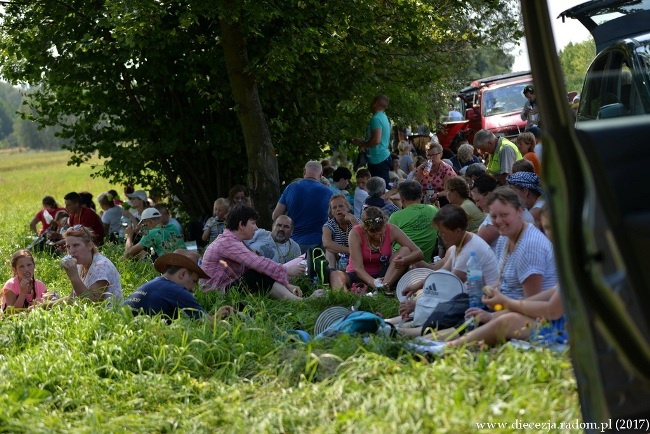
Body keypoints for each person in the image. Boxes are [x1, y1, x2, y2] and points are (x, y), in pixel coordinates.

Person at [423, 207, 566, 348]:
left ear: (519, 214)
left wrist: (506, 303)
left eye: (503, 215)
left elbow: (552, 310)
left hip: (562, 329)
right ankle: (429, 342)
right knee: (479, 313)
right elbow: (543, 296)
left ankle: (442, 346)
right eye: (546, 228)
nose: (497, 222)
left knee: (493, 317)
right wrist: (500, 307)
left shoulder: (532, 246)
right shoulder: (504, 242)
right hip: (495, 300)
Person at [392, 205, 499, 336]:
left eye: (443, 233)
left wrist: (419, 304)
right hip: (463, 296)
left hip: (479, 300)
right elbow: (443, 272)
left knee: (444, 308)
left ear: (458, 231)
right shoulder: (460, 244)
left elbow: (447, 288)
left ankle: (404, 331)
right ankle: (393, 324)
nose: (441, 236)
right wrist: (417, 285)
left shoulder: (470, 250)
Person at [201, 205, 323, 300]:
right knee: (256, 274)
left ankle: (294, 297)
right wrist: (286, 270)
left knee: (257, 272)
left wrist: (287, 285)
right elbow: (257, 263)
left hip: (222, 290)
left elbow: (254, 266)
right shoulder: (227, 242)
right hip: (215, 293)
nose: (256, 228)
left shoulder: (232, 240)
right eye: (253, 223)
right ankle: (300, 301)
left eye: (286, 227)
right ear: (241, 225)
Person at [123, 249, 233, 324]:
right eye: (194, 281)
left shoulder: (154, 284)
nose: (193, 289)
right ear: (183, 274)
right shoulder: (177, 291)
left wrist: (217, 315)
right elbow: (208, 325)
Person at [329, 206, 424, 291]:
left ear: (384, 225)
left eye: (380, 231)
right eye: (373, 232)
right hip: (359, 275)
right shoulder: (355, 233)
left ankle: (383, 289)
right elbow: (358, 268)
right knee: (335, 275)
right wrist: (374, 282)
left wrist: (404, 260)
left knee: (405, 250)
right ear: (364, 229)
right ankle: (345, 300)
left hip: (384, 275)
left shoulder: (391, 229)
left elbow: (418, 253)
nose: (377, 235)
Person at [272, 161, 333, 251]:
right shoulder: (329, 192)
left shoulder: (290, 188)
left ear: (304, 171)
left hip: (293, 243)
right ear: (321, 175)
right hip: (318, 243)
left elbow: (276, 216)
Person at [61, 225, 122, 301]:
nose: (71, 251)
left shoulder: (101, 266)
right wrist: (48, 304)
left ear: (90, 246)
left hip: (109, 312)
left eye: (76, 245)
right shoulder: (80, 264)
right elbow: (73, 298)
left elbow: (91, 303)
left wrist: (74, 277)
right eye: (68, 247)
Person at [388, 180, 439, 263]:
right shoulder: (434, 210)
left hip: (399, 263)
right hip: (425, 263)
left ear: (401, 198)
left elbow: (387, 242)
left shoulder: (396, 216)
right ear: (422, 196)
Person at [352, 94, 391, 185]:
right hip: (380, 159)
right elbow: (378, 140)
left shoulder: (376, 118)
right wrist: (362, 142)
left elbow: (376, 140)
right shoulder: (383, 117)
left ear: (375, 103)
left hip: (379, 160)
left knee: (380, 191)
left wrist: (364, 145)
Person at [322, 194, 360, 269]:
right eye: (334, 208)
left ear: (347, 208)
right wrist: (350, 251)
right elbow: (327, 243)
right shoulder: (328, 225)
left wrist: (353, 220)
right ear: (332, 212)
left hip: (357, 257)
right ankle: (332, 273)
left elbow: (364, 238)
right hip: (339, 258)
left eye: (341, 206)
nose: (338, 209)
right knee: (329, 250)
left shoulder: (356, 221)